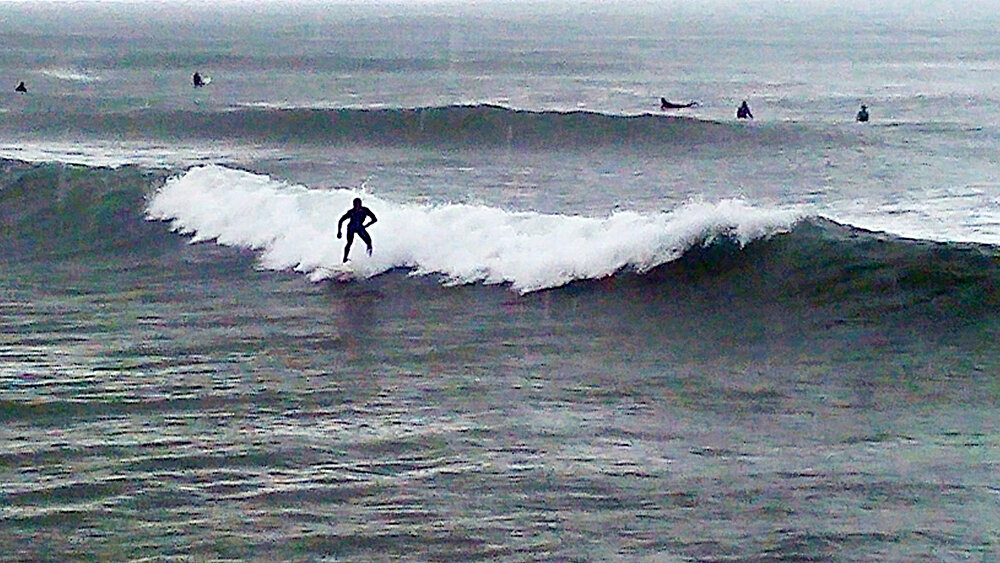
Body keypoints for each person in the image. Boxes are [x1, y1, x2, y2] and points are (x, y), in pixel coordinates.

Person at [337, 197, 377, 262]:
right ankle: (344, 259)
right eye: (355, 204)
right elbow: (341, 220)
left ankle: (369, 258)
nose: (357, 206)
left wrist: (366, 225)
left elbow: (374, 219)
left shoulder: (365, 210)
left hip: (360, 228)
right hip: (351, 228)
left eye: (358, 204)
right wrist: (339, 232)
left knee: (369, 242)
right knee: (349, 243)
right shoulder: (351, 212)